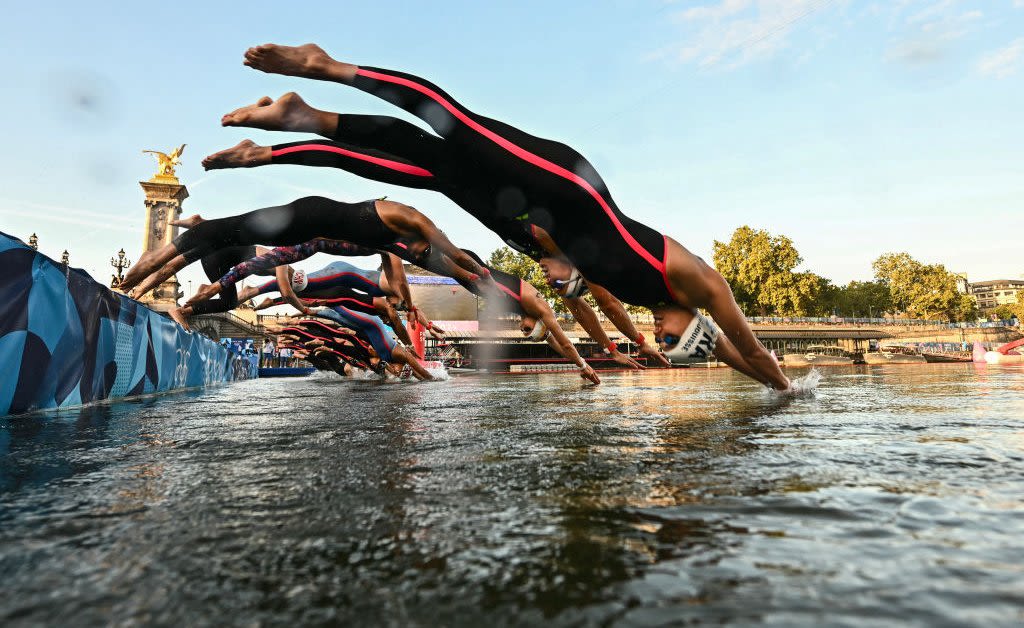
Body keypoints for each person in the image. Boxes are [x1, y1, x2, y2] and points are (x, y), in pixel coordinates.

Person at [204, 43, 789, 389]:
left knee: (422, 165)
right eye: (671, 338)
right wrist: (789, 388)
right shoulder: (695, 282)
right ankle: (325, 66)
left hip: (528, 222)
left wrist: (591, 323)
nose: (658, 339)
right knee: (453, 126)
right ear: (690, 321)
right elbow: (750, 348)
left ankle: (298, 127)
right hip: (567, 186)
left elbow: (716, 350)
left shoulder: (645, 300)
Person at [117, 196, 492, 306]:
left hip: (291, 230)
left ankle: (127, 290)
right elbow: (452, 255)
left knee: (175, 258)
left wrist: (471, 275)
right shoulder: (400, 228)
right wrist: (475, 273)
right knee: (165, 261)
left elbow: (448, 261)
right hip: (298, 225)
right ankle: (125, 289)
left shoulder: (294, 256)